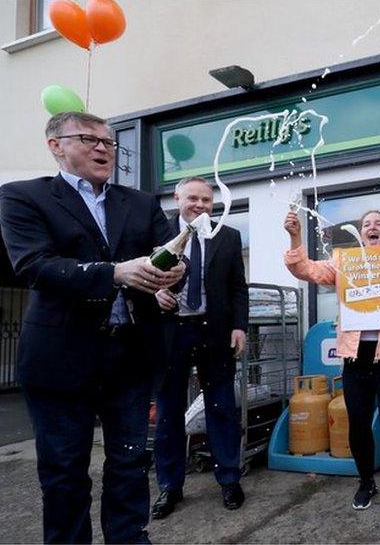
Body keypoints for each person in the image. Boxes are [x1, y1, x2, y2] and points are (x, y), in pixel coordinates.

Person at [0, 111, 185, 543]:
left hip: (130, 359)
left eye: (109, 142)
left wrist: (177, 269)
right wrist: (116, 272)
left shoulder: (140, 202)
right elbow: (35, 266)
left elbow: (166, 255)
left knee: (130, 464)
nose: (104, 148)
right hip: (60, 361)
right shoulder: (23, 197)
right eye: (89, 139)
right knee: (65, 474)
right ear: (56, 146)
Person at [284, 209, 380, 512]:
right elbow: (305, 269)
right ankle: (365, 482)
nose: (372, 227)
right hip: (354, 357)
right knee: (357, 422)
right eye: (366, 224)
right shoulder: (343, 265)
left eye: (379, 224)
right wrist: (295, 236)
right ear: (361, 234)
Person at [150, 176, 248, 519]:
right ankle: (170, 486)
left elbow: (238, 287)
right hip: (170, 332)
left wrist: (239, 326)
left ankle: (230, 480)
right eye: (193, 198)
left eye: (207, 200)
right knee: (169, 412)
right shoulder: (154, 231)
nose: (201, 206)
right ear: (178, 198)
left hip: (215, 332)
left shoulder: (229, 236)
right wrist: (153, 295)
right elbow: (138, 277)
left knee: (222, 408)